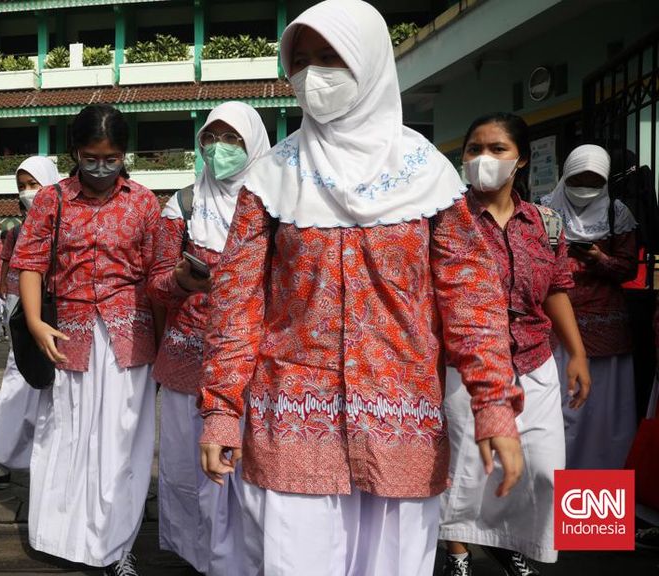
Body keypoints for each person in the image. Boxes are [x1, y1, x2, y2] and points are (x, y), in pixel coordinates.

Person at [197, 2, 525, 575]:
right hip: (293, 419)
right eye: (300, 62)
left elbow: (470, 301)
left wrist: (493, 404)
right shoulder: (272, 177)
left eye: (331, 59)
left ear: (369, 63)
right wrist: (221, 409)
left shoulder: (429, 176)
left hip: (401, 426)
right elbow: (236, 302)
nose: (313, 76)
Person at [438, 113, 591, 576]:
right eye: (473, 149)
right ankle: (459, 554)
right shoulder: (447, 219)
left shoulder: (545, 222)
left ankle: (513, 543)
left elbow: (557, 287)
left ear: (520, 159)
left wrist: (577, 353)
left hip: (534, 360)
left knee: (543, 472)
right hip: (465, 367)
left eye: (497, 149)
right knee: (466, 470)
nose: (483, 158)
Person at [10, 105, 160, 576]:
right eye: (91, 156)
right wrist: (34, 322)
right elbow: (30, 264)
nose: (100, 166)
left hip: (129, 334)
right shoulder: (52, 200)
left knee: (122, 438)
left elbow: (157, 274)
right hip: (66, 332)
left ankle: (118, 544)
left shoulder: (144, 202)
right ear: (75, 152)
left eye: (111, 157)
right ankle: (60, 535)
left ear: (123, 155)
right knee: (65, 431)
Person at [148, 101, 270, 575]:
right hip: (187, 360)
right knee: (188, 468)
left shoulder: (273, 205)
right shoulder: (181, 207)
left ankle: (248, 559)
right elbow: (154, 282)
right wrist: (180, 281)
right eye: (210, 138)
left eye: (232, 138)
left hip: (253, 364)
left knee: (245, 471)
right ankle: (197, 558)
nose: (219, 148)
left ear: (254, 143)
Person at [543, 144, 639, 470]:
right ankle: (553, 493)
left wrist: (600, 260)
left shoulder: (618, 213)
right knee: (560, 413)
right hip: (555, 328)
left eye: (593, 180)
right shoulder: (542, 213)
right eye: (578, 178)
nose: (585, 185)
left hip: (605, 330)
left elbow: (627, 268)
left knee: (604, 417)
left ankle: (595, 508)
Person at [0, 156, 61, 490]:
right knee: (15, 385)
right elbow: (17, 270)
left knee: (59, 395)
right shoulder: (20, 229)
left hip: (69, 317)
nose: (28, 192)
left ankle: (49, 465)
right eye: (22, 186)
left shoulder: (73, 221)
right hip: (30, 315)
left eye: (33, 184)